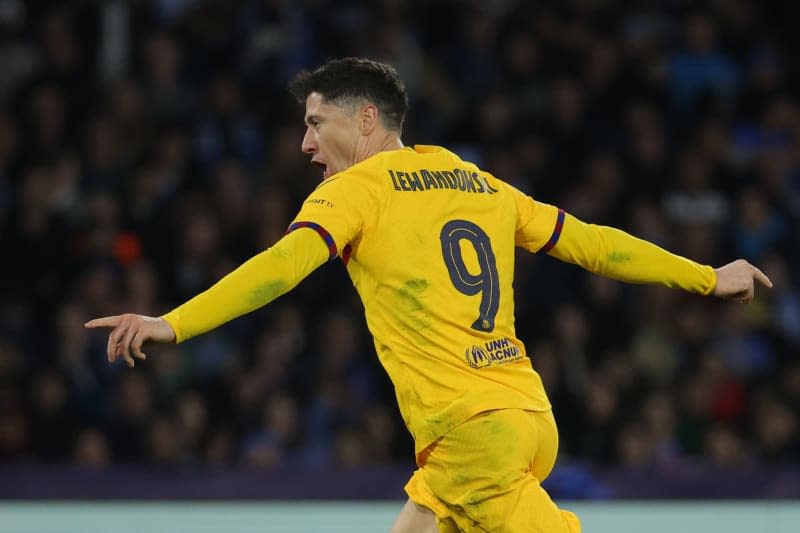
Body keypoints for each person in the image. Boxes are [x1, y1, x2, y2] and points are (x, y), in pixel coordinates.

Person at [86, 58, 772, 533]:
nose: (303, 143)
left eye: (315, 122)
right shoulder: (472, 179)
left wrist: (171, 322)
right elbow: (594, 242)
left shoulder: (355, 191)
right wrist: (708, 274)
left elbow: (279, 268)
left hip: (472, 433)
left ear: (364, 120)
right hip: (526, 417)